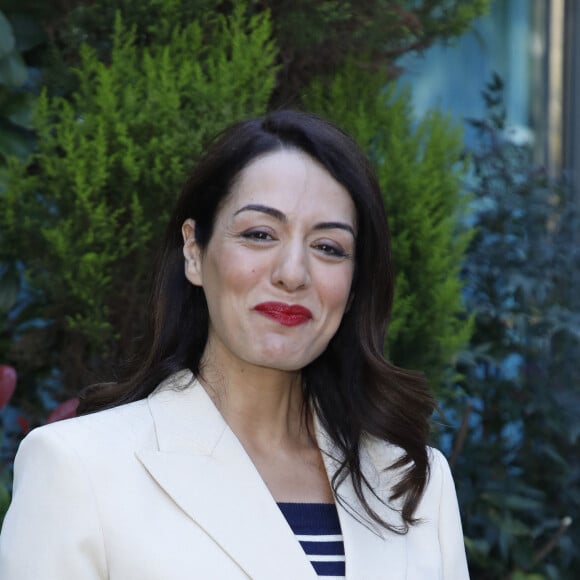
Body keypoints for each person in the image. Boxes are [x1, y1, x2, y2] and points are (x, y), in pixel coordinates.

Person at [0, 110, 469, 579]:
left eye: (328, 247)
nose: (292, 273)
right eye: (259, 234)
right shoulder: (79, 469)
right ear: (194, 252)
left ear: (353, 285)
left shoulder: (414, 483)